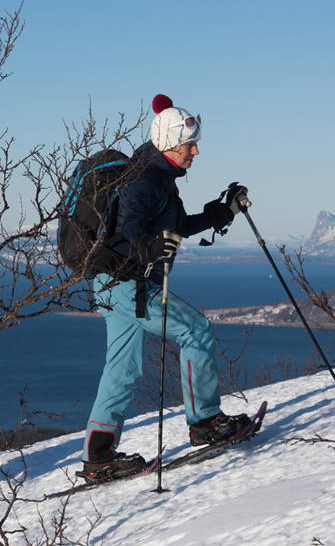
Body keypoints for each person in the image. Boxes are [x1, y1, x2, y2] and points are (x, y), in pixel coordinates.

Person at [81, 94, 254, 483]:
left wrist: (221, 213)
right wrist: (147, 246)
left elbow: (171, 227)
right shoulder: (143, 179)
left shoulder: (155, 175)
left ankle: (99, 453)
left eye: (195, 143)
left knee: (121, 368)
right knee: (195, 329)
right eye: (189, 144)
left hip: (111, 283)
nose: (195, 151)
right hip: (129, 283)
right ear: (168, 143)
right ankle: (206, 421)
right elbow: (131, 225)